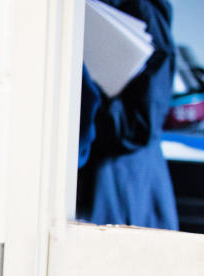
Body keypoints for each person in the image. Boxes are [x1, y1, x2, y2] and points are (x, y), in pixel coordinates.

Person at [77, 0, 179, 229]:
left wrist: (86, 98)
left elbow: (139, 124)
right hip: (94, 179)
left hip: (118, 183)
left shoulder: (141, 7)